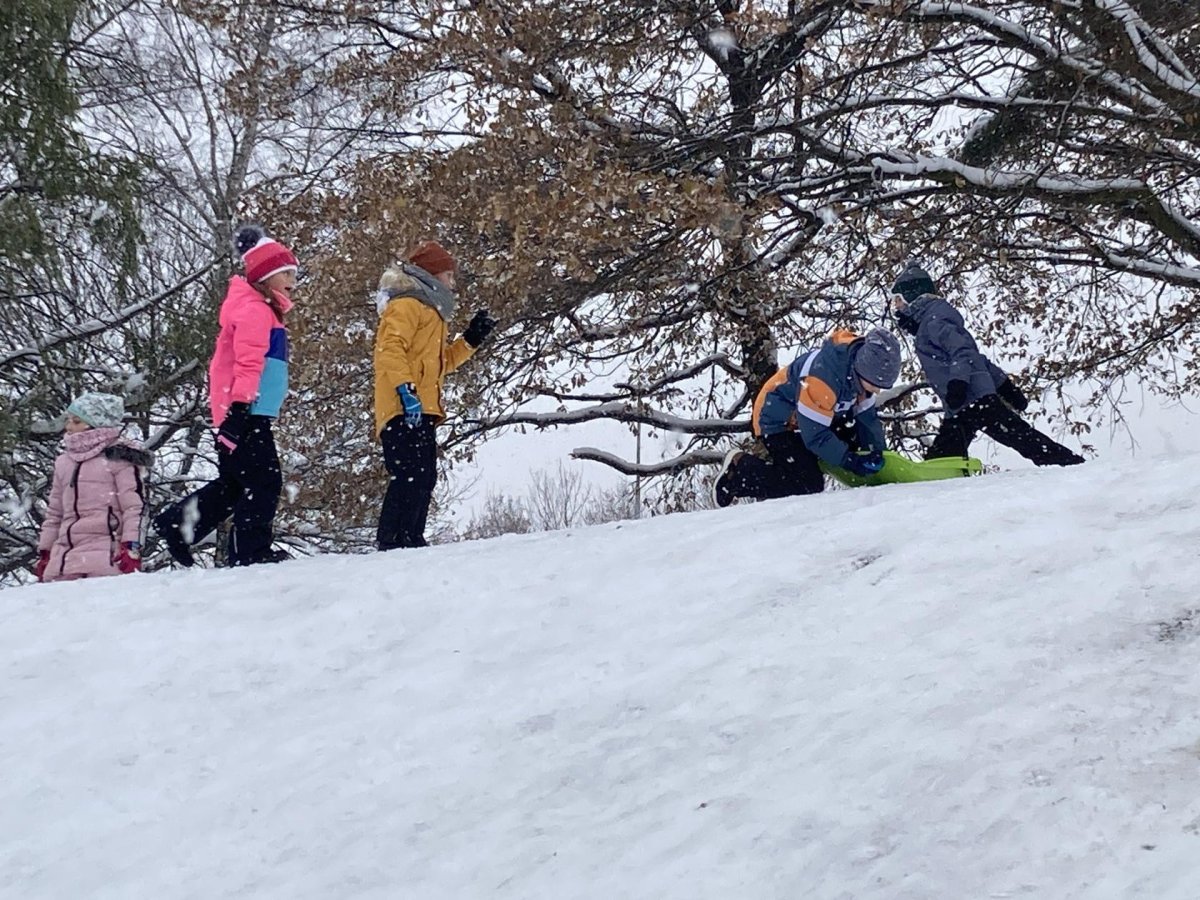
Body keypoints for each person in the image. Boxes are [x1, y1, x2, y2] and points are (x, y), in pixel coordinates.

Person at [153, 225, 296, 567]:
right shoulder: (255, 310)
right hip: (245, 411)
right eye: (286, 273)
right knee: (264, 481)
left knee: (235, 484)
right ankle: (250, 551)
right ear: (265, 277)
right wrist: (241, 409)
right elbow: (249, 363)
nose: (293, 280)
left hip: (243, 410)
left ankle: (179, 524)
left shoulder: (259, 308)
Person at [890, 261, 1084, 467]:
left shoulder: (935, 322)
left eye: (898, 300)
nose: (896, 307)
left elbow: (963, 352)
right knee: (945, 455)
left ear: (913, 297)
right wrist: (1004, 385)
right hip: (960, 406)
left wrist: (958, 383)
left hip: (972, 399)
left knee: (1021, 437)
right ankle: (935, 475)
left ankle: (1069, 464)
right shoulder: (929, 324)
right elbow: (977, 359)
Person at [374, 240, 496, 550]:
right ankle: (392, 540)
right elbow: (389, 350)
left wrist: (471, 339)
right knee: (408, 474)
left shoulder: (433, 313)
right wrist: (405, 389)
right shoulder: (407, 305)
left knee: (425, 475)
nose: (453, 283)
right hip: (402, 406)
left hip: (423, 407)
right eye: (449, 275)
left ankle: (412, 537)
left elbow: (442, 363)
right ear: (431, 274)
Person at [713, 327, 902, 507]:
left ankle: (811, 460)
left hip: (813, 419)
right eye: (875, 384)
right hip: (776, 421)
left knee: (854, 437)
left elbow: (867, 419)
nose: (877, 391)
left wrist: (879, 454)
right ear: (862, 371)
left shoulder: (859, 371)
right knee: (807, 485)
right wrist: (849, 460)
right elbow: (816, 435)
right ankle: (740, 472)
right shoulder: (823, 379)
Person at [35, 392, 152, 583]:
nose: (69, 427)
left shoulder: (119, 459)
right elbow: (55, 513)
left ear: (96, 424)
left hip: (107, 556)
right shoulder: (64, 463)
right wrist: (45, 551)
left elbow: (133, 508)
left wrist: (131, 546)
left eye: (76, 421)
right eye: (68, 420)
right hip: (64, 559)